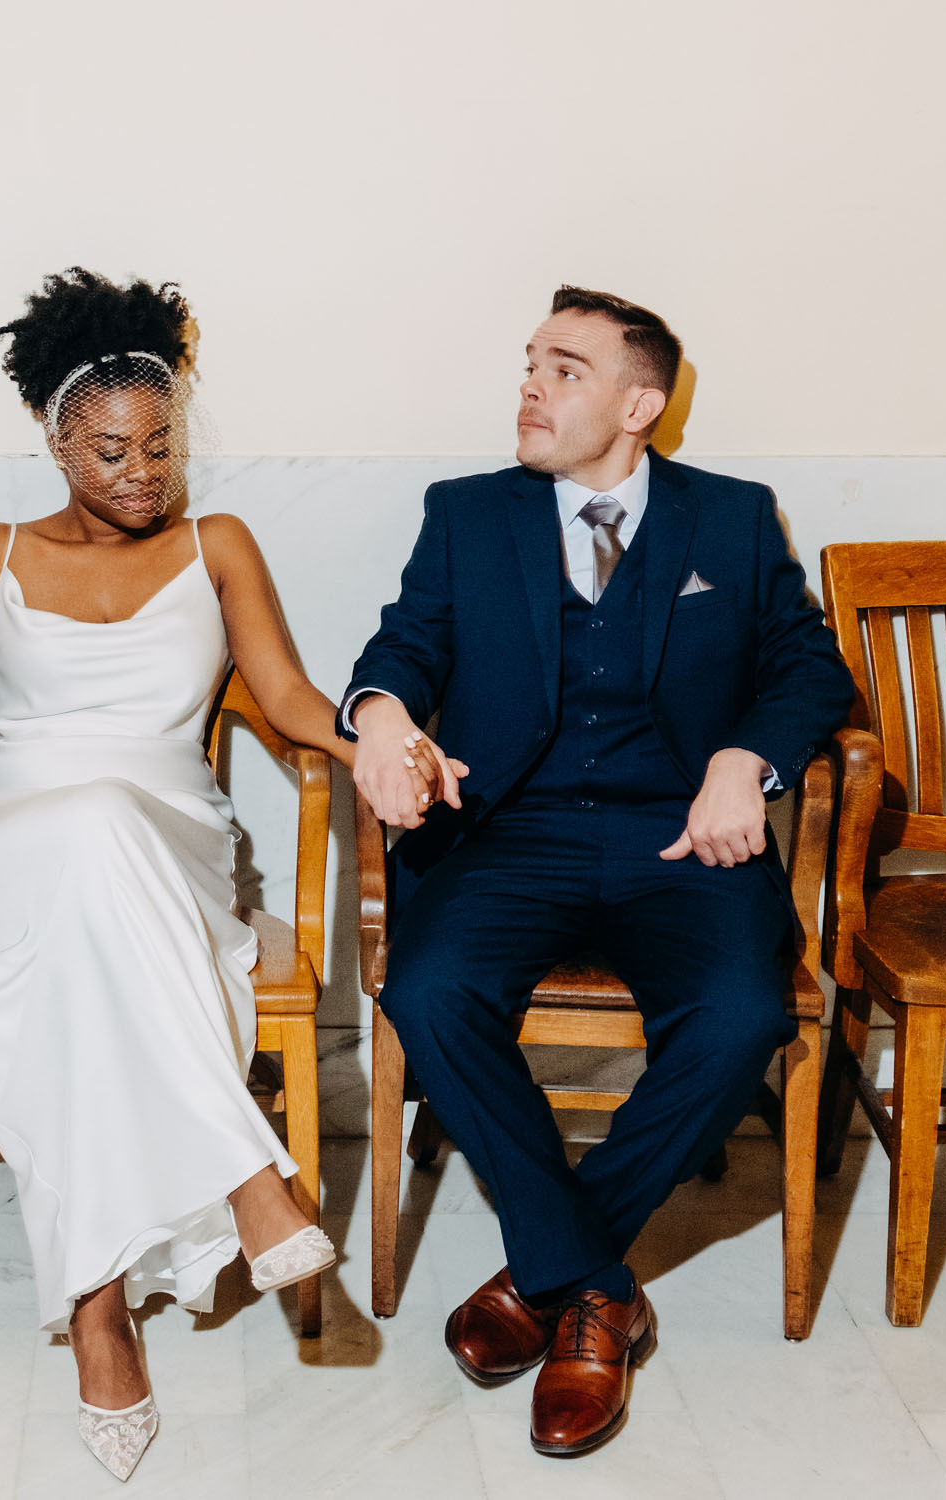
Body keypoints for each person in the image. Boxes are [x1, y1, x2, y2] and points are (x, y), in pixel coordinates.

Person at [0, 269, 449, 1483]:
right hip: (19, 832)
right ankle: (250, 1176)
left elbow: (287, 695)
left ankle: (95, 1315)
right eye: (110, 452)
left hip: (169, 833)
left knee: (82, 941)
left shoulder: (218, 544)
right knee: (76, 831)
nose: (143, 474)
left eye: (161, 446)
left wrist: (367, 751)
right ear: (53, 438)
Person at [343, 286, 854, 1456]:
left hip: (681, 839)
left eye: (564, 369)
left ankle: (543, 1275)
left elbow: (808, 671)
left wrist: (746, 758)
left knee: (739, 1016)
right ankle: (595, 1291)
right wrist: (377, 715)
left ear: (641, 403)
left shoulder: (730, 520)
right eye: (529, 362)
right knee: (426, 991)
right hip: (510, 832)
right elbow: (405, 643)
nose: (530, 384)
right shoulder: (468, 515)